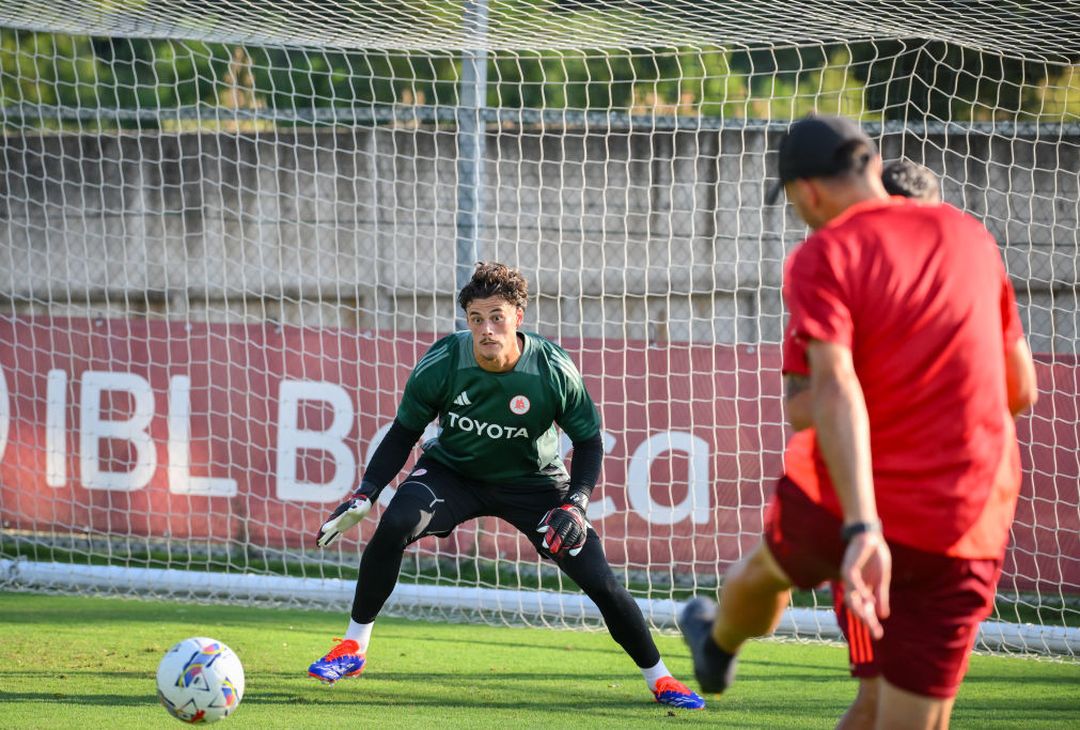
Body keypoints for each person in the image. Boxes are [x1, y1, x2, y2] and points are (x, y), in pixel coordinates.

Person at [680, 116, 1037, 729]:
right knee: (896, 710)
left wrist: (863, 524)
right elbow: (1020, 391)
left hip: (852, 500)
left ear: (807, 191)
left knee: (768, 575)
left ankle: (715, 646)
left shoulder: (826, 251)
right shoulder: (972, 236)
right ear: (871, 165)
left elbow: (827, 392)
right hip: (969, 517)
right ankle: (715, 645)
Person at [309, 261, 705, 710]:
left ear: (518, 316)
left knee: (601, 581)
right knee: (396, 521)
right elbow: (403, 432)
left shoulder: (553, 369)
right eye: (476, 319)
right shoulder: (442, 362)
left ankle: (661, 679)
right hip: (453, 474)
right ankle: (354, 647)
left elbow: (590, 443)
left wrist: (575, 505)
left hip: (534, 484)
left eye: (497, 317)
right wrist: (367, 492)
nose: (486, 329)